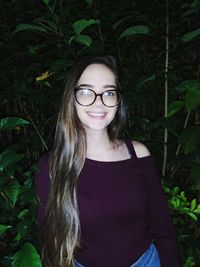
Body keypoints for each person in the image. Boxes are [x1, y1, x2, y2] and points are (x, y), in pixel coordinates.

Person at [35, 55, 180, 267]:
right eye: (86, 91)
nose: (99, 101)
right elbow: (50, 242)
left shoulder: (138, 154)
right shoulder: (52, 166)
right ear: (71, 99)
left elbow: (163, 227)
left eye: (109, 92)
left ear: (117, 100)